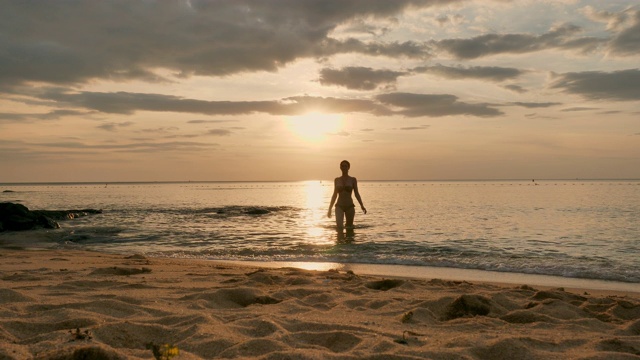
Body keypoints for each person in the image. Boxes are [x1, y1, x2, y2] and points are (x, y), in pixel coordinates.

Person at [327, 160, 366, 232]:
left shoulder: (353, 180)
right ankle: (340, 242)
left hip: (350, 206)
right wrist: (330, 209)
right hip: (339, 206)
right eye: (342, 166)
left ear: (348, 168)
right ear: (340, 167)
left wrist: (362, 205)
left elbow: (356, 193)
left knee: (349, 228)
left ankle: (349, 243)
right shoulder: (337, 180)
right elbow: (334, 195)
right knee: (339, 227)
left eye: (345, 166)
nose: (344, 167)